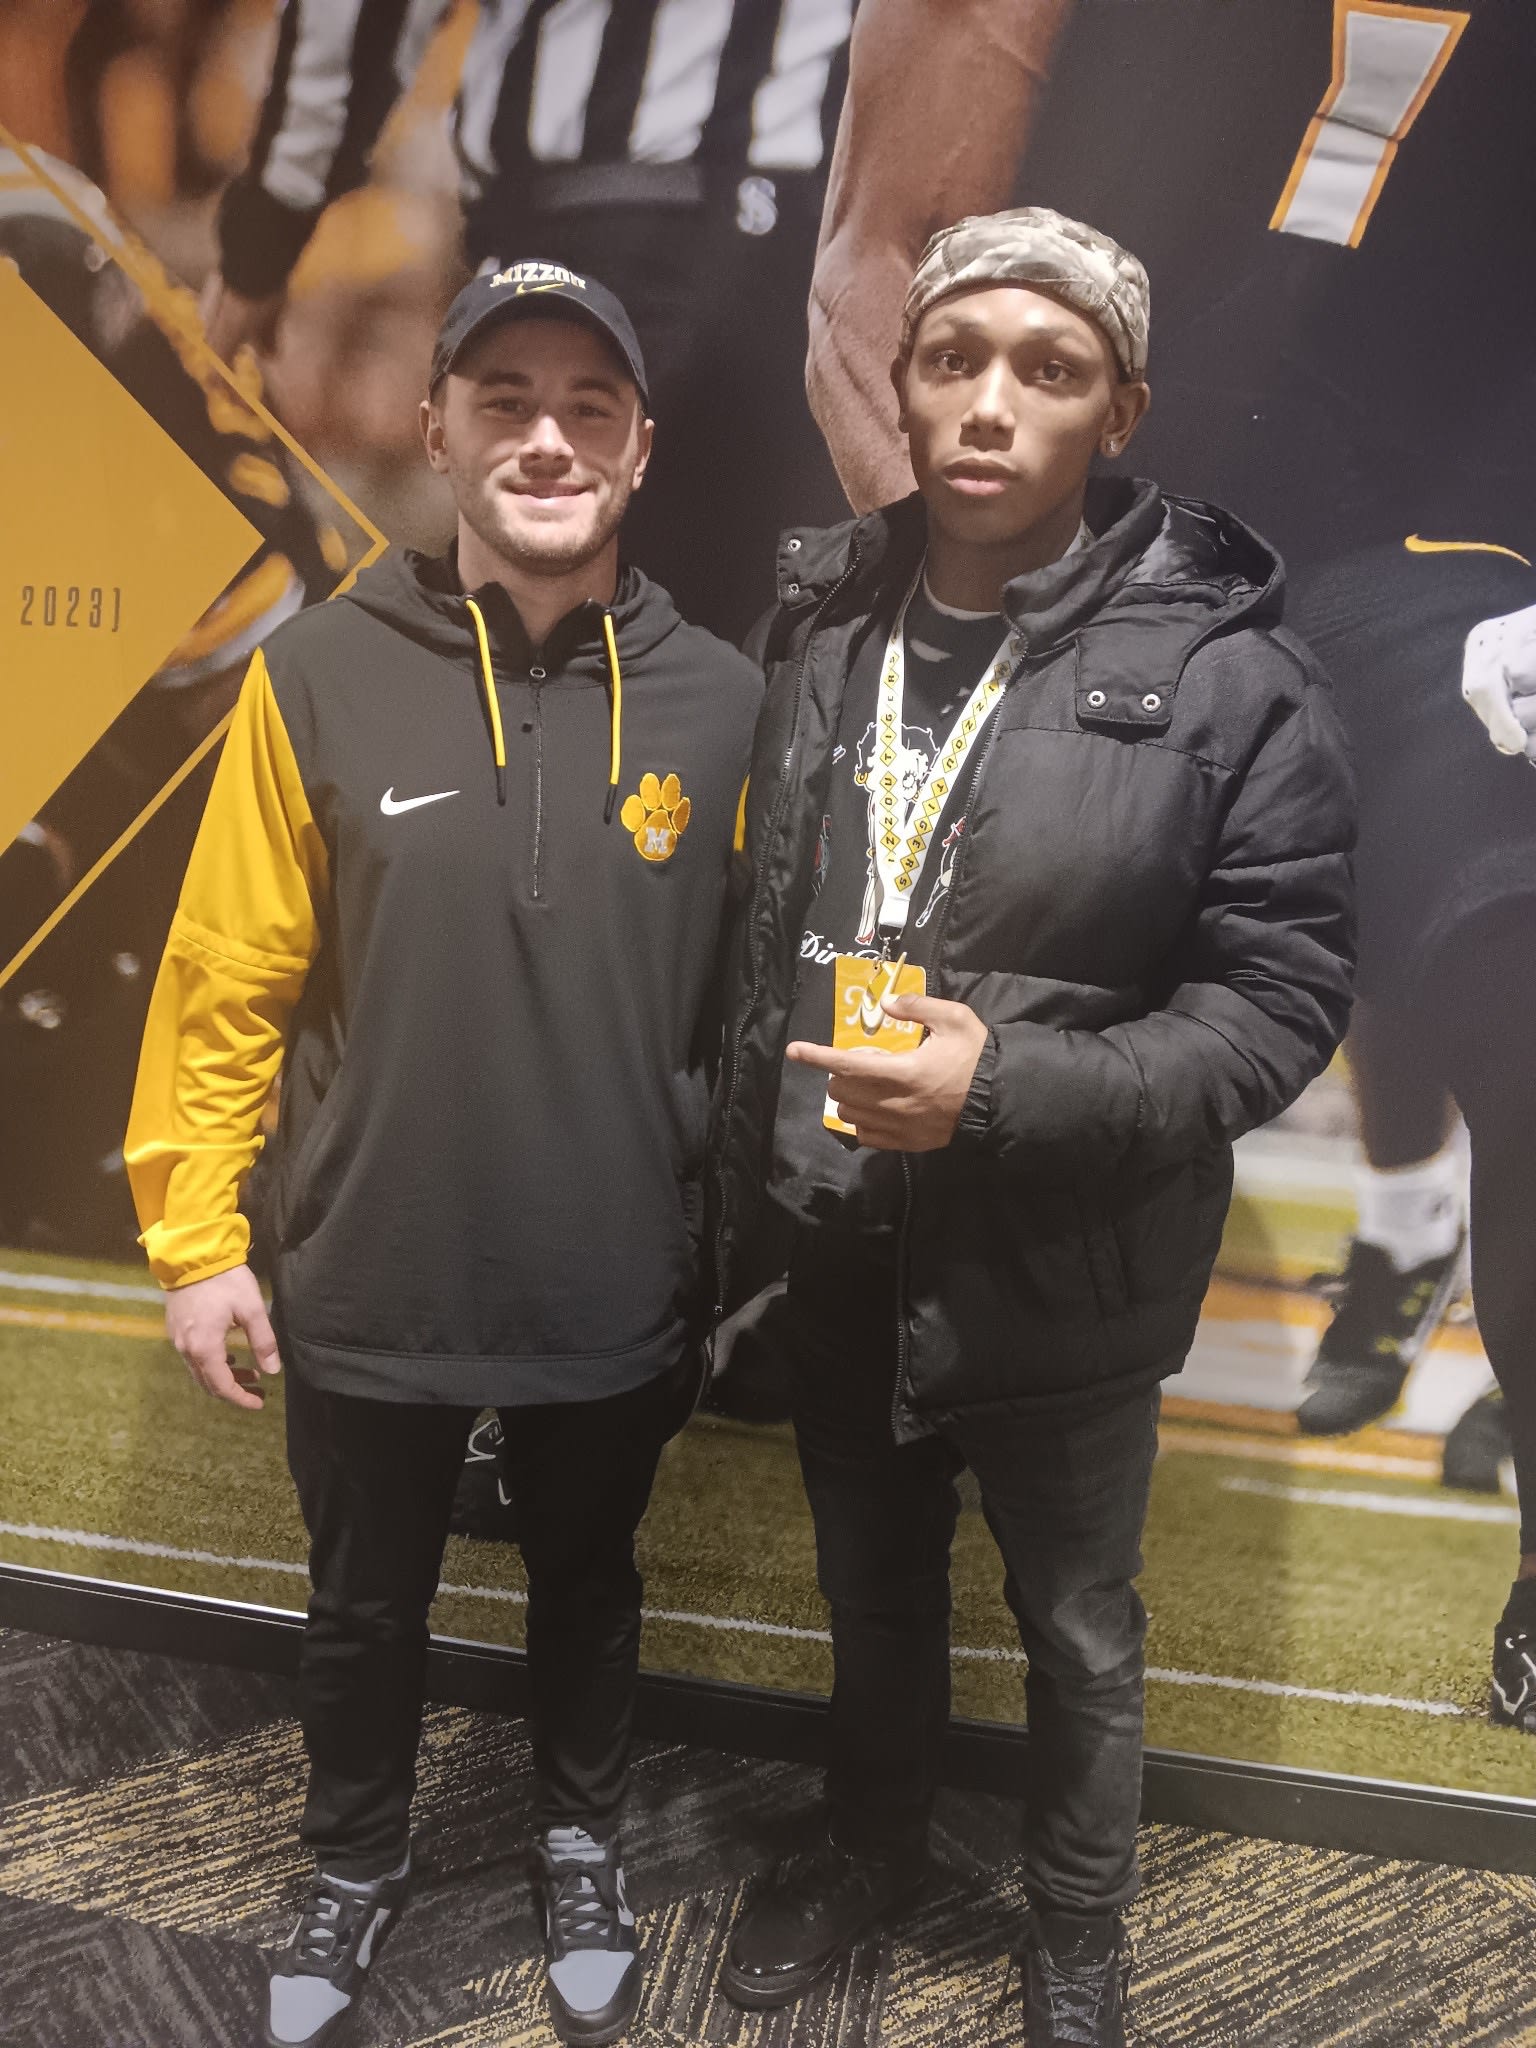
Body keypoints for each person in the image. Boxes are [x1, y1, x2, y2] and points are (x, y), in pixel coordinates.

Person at [802, 0, 1536, 1733]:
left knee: (1522, 979)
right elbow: (886, 255)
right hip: (1100, 496)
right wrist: (954, 552)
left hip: (1439, 534)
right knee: (931, 1015)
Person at [707, 208, 1355, 2046]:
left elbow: (1275, 1004)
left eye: (1046, 370)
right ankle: (867, 1846)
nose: (989, 405)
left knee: (1079, 1632)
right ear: (901, 387)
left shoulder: (1234, 672)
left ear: (1119, 407)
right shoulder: (821, 615)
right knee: (871, 1591)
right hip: (836, 1232)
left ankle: (1078, 1926)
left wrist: (998, 1082)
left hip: (1064, 1260)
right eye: (952, 359)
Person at [125, 264, 760, 2048]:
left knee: (591, 1582)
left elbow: (748, 1001)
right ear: (436, 432)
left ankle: (579, 1835)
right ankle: (346, 1856)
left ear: (640, 451)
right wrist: (197, 1241)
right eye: (504, 399)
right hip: (366, 1261)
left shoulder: (724, 702)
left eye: (586, 406)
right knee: (361, 1604)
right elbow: (224, 975)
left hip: (611, 1270)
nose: (545, 436)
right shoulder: (319, 670)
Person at [198, 0, 855, 643]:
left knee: (566, 703)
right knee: (791, 696)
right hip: (809, 253)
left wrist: (271, 221)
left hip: (587, 222)